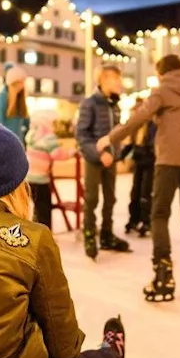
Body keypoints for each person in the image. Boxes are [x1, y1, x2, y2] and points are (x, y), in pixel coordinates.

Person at [0, 111, 126, 358]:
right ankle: (110, 354)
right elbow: (64, 346)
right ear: (16, 184)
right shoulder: (33, 240)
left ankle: (107, 352)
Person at [99, 55, 180, 303]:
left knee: (159, 214)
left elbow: (139, 117)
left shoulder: (162, 91)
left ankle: (163, 275)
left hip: (170, 160)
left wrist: (110, 138)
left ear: (161, 73)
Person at [73, 65, 133, 259]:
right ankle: (89, 233)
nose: (120, 83)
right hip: (94, 159)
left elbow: (116, 133)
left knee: (110, 198)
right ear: (103, 80)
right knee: (92, 198)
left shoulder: (114, 105)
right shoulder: (90, 103)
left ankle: (106, 234)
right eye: (116, 79)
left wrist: (117, 153)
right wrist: (100, 154)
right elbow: (81, 135)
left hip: (111, 161)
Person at [23, 111, 71, 230]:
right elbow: (56, 154)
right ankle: (45, 232)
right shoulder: (49, 138)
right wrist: (70, 153)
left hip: (29, 178)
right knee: (44, 208)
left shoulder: (31, 135)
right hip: (41, 180)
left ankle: (34, 229)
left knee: (34, 207)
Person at [123, 101, 157, 237]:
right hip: (139, 162)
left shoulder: (152, 125)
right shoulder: (136, 128)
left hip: (150, 163)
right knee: (135, 191)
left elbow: (153, 146)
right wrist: (119, 157)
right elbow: (131, 145)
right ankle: (134, 218)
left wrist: (143, 151)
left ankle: (146, 220)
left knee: (146, 192)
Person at [0, 64, 31, 143]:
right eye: (20, 81)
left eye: (23, 82)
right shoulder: (1, 98)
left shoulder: (20, 99)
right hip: (5, 143)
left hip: (19, 143)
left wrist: (24, 134)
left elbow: (26, 122)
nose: (23, 85)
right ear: (13, 82)